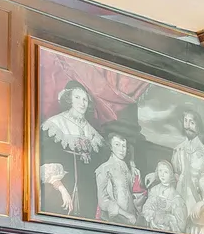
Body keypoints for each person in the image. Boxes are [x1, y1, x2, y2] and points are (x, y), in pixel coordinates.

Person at [38, 81, 105, 219]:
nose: (82, 103)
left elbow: (102, 162)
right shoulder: (54, 125)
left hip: (88, 191)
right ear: (69, 99)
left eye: (85, 99)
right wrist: (61, 188)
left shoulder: (93, 133)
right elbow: (47, 158)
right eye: (77, 98)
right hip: (61, 189)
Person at [171, 109, 204, 234]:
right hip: (178, 211)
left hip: (197, 215)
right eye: (185, 121)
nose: (187, 125)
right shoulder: (177, 151)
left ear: (198, 126)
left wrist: (202, 204)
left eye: (192, 122)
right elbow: (174, 177)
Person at [96, 134, 145, 226]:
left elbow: (133, 193)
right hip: (114, 220)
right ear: (111, 147)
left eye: (124, 146)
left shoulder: (129, 169)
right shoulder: (104, 169)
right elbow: (103, 201)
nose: (121, 149)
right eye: (117, 145)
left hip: (132, 218)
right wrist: (127, 215)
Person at [142, 159, 186, 233]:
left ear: (171, 174)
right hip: (151, 229)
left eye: (166, 172)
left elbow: (180, 224)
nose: (162, 175)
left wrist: (168, 219)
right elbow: (146, 208)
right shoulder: (154, 190)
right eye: (160, 171)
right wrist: (152, 216)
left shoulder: (175, 196)